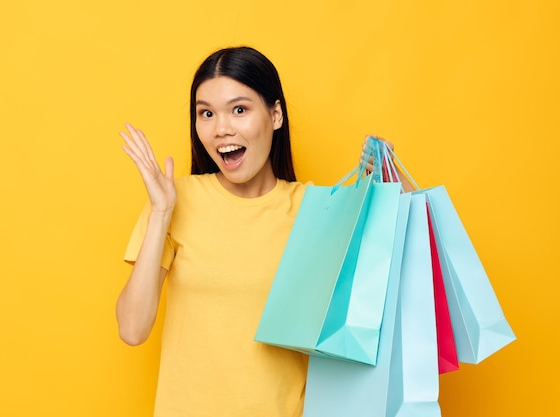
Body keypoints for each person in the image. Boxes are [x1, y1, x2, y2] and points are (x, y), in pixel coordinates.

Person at [116, 46, 409, 417]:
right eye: (206, 113)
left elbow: (393, 284)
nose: (222, 128)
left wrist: (388, 188)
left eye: (239, 110)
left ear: (275, 114)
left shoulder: (315, 211)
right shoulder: (175, 199)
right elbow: (132, 329)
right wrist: (160, 213)